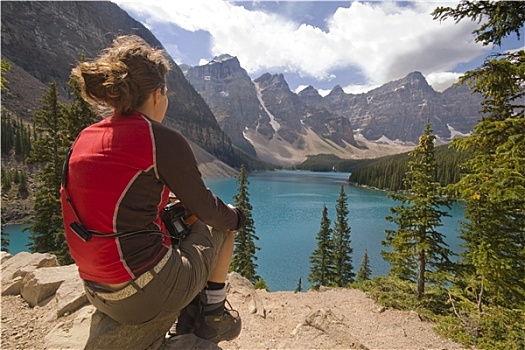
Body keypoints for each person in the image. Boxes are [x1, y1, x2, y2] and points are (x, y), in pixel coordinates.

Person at [60, 35, 245, 344]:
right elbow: (208, 209)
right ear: (159, 94)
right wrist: (237, 218)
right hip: (141, 297)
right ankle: (213, 314)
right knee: (221, 224)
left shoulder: (85, 137)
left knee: (179, 216)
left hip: (95, 290)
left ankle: (191, 309)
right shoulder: (158, 138)